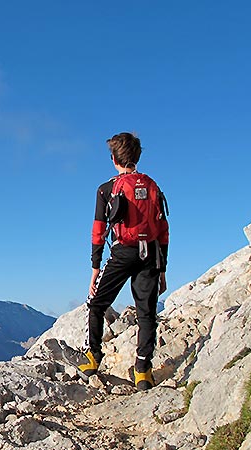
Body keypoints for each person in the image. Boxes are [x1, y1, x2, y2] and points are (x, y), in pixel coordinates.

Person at [78, 132, 169, 390]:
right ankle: (143, 370)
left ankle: (93, 356)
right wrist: (162, 269)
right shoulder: (152, 186)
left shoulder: (106, 189)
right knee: (147, 312)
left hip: (123, 252)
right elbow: (163, 229)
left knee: (96, 304)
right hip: (150, 253)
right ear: (137, 156)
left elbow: (99, 231)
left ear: (114, 159)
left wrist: (95, 270)